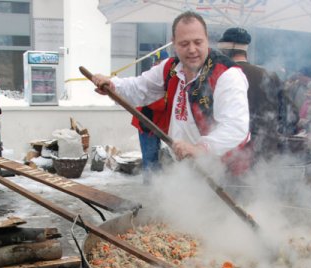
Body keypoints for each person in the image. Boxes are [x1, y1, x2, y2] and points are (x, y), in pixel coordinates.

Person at [92, 12, 250, 175]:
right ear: (173, 43)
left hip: (224, 173)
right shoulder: (171, 67)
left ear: (207, 39)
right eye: (184, 44)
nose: (192, 50)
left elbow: (235, 126)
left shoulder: (227, 74)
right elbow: (140, 87)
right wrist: (113, 85)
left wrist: (201, 149)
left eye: (198, 42)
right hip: (186, 170)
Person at [217, 27, 287, 160]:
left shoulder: (221, 76)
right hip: (266, 152)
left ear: (224, 51)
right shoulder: (271, 76)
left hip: (232, 155)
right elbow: (289, 116)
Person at [131, 49, 169, 183]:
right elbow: (157, 105)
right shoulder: (153, 79)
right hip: (146, 125)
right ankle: (150, 187)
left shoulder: (165, 78)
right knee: (150, 157)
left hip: (155, 125)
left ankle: (157, 186)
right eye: (159, 62)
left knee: (155, 156)